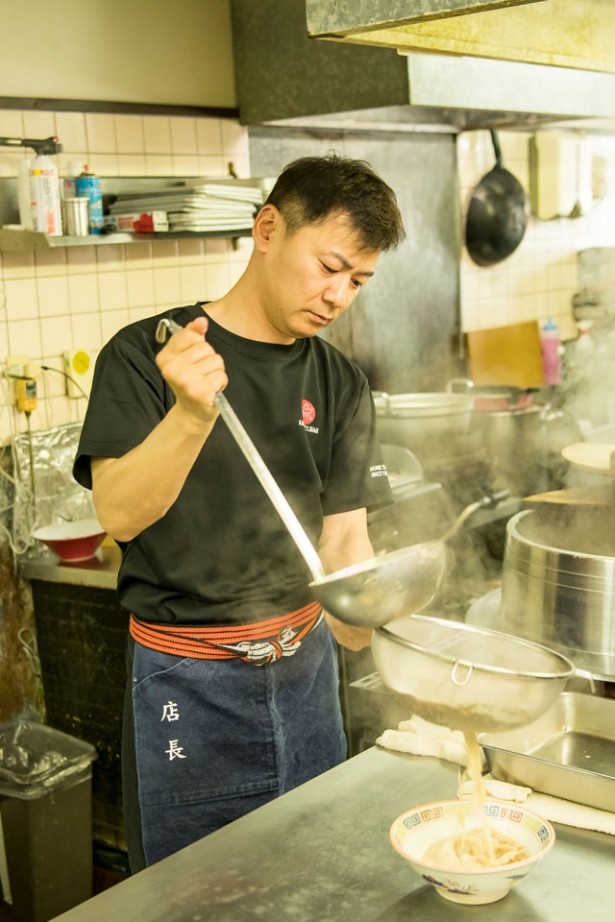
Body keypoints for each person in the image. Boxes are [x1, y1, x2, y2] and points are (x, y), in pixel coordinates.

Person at [73, 153, 405, 871]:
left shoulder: (338, 379)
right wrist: (191, 414)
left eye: (358, 281)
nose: (338, 295)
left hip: (307, 669)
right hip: (188, 684)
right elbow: (120, 515)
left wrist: (381, 623)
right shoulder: (148, 354)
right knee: (195, 891)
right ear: (266, 229)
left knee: (316, 876)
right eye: (329, 266)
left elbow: (345, 534)